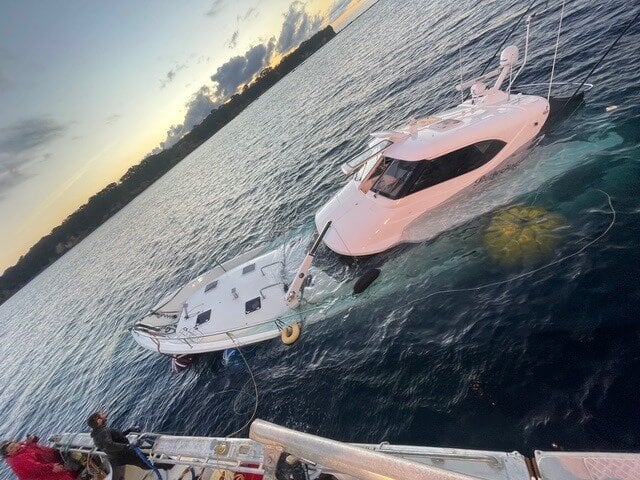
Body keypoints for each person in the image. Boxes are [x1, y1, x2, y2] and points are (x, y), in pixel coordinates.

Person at [86, 411, 171, 472]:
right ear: (99, 420)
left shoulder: (99, 432)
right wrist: (128, 446)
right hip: (124, 454)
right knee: (144, 462)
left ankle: (166, 464)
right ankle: (168, 465)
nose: (104, 414)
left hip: (122, 454)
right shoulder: (102, 432)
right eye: (102, 415)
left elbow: (116, 437)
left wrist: (128, 431)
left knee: (145, 458)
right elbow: (109, 445)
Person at [0, 435, 77, 480]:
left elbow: (31, 444)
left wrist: (33, 439)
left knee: (70, 470)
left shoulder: (21, 447)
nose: (15, 447)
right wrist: (51, 467)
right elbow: (36, 467)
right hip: (45, 475)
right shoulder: (18, 460)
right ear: (9, 454)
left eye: (13, 444)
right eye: (11, 448)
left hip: (53, 461)